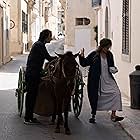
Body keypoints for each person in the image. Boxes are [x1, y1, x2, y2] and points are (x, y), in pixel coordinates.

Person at [79, 38, 124, 123]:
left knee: (116, 93)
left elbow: (111, 66)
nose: (108, 49)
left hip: (108, 79)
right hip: (96, 80)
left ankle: (113, 115)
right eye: (106, 47)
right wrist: (81, 56)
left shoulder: (110, 55)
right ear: (102, 47)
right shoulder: (94, 54)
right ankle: (93, 115)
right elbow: (84, 63)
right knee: (95, 96)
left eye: (108, 47)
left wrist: (114, 69)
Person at [24, 29, 57, 124]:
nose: (51, 38)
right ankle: (27, 118)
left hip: (35, 72)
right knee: (31, 95)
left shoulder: (39, 44)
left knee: (33, 95)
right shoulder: (39, 45)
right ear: (46, 36)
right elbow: (48, 57)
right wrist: (59, 58)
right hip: (33, 73)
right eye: (50, 36)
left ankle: (30, 116)